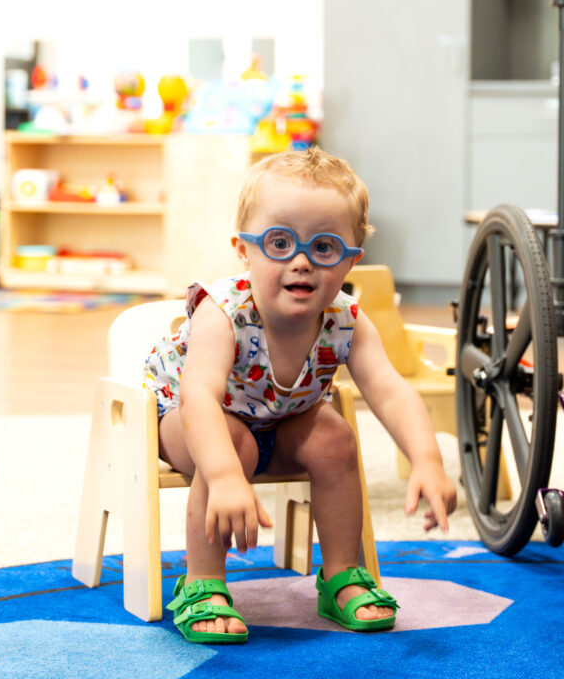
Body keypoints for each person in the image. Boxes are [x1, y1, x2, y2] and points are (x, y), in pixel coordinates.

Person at [144, 147, 458, 644]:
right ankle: (201, 583)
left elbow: (392, 391)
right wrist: (225, 476)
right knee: (233, 441)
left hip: (278, 422)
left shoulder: (346, 320)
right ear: (243, 250)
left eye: (325, 247)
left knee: (334, 437)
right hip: (186, 423)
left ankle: (339, 576)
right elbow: (198, 396)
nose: (302, 262)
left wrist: (426, 458)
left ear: (352, 259)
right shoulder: (223, 311)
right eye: (279, 242)